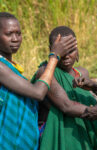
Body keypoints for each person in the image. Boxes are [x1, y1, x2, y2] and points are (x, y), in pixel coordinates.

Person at [0, 12, 77, 150]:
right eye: (9, 34)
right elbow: (38, 92)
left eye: (18, 33)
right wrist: (54, 57)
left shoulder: (10, 67)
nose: (15, 39)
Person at [32, 26, 97, 150]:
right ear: (52, 50)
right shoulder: (45, 73)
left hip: (81, 134)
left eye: (71, 50)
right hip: (55, 136)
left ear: (77, 50)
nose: (66, 56)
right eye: (62, 51)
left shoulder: (82, 73)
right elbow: (67, 106)